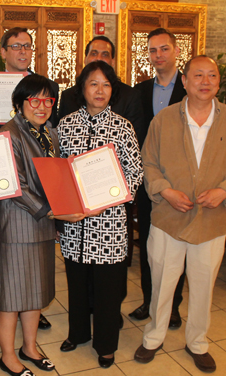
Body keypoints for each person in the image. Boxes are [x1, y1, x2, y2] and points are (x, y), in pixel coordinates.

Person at [134, 56, 226, 373]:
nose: (205, 80)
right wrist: (165, 191)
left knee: (203, 287)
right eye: (197, 74)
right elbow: (148, 163)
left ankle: (197, 342)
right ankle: (154, 337)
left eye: (211, 75)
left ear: (218, 82)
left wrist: (225, 190)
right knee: (161, 283)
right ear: (184, 81)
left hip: (210, 223)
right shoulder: (165, 119)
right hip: (168, 219)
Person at [57, 61, 143, 368]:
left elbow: (135, 173)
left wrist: (111, 197)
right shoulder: (65, 125)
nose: (99, 90)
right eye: (93, 84)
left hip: (108, 224)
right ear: (82, 88)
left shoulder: (123, 127)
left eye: (106, 85)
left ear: (113, 90)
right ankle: (78, 333)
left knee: (107, 291)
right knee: (77, 284)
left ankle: (105, 345)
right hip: (75, 225)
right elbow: (58, 172)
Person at [0, 74, 60, 376]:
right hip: (16, 228)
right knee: (11, 296)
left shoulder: (50, 134)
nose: (42, 106)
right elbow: (14, 185)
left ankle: (29, 347)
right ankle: (8, 356)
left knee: (35, 292)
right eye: (35, 99)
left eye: (48, 99)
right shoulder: (8, 134)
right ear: (20, 103)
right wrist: (50, 210)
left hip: (43, 226)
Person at [130, 28, 188, 327]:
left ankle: (173, 305)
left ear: (176, 50)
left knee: (177, 245)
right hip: (149, 181)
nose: (158, 55)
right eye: (153, 50)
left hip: (181, 183)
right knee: (151, 244)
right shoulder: (140, 91)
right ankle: (149, 300)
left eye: (164, 49)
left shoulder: (189, 88)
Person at [58, 36, 144, 140]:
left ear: (112, 62)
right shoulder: (68, 96)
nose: (98, 58)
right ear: (85, 59)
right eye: (94, 54)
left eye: (105, 54)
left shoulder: (130, 96)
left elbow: (136, 139)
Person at [1, 27, 59, 129]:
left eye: (27, 46)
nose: (23, 51)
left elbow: (51, 128)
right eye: (16, 46)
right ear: (3, 52)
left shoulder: (50, 86)